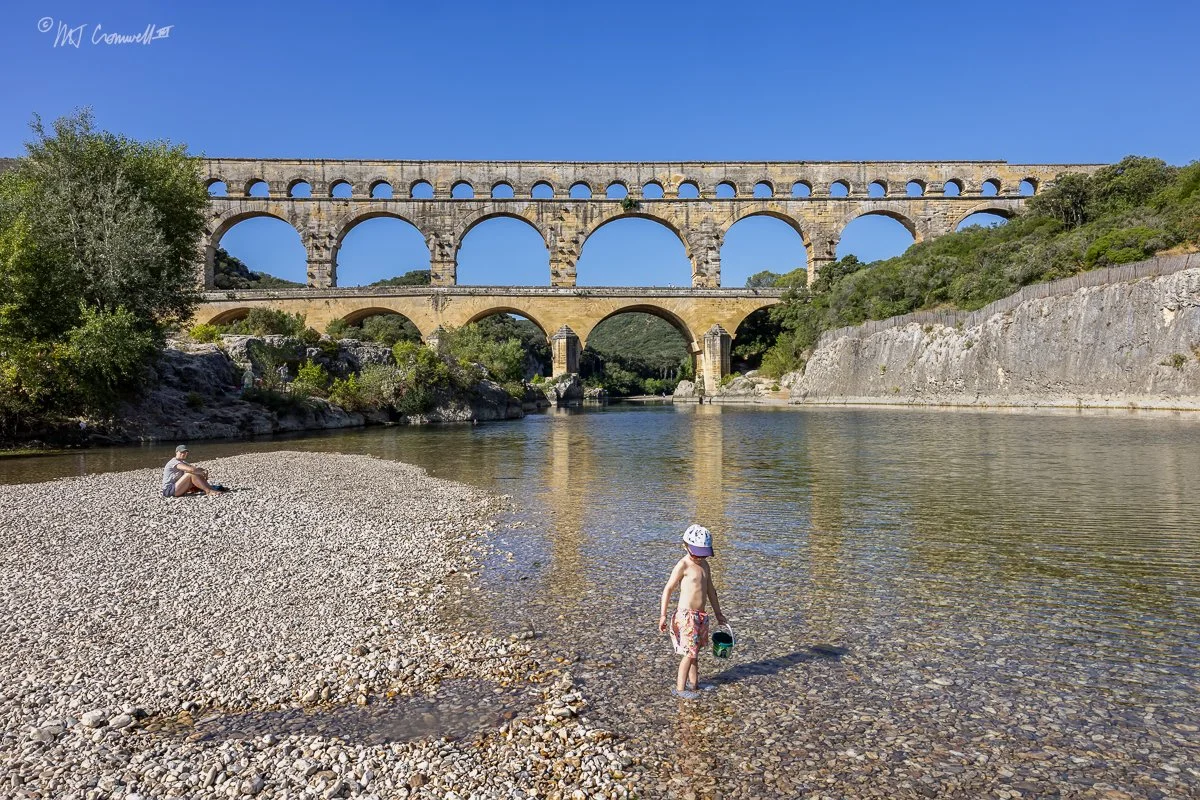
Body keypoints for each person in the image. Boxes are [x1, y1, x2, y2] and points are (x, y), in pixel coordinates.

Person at [658, 524, 727, 699]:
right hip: (686, 616)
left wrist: (718, 613)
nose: (698, 557)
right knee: (689, 654)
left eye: (703, 554)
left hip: (701, 617)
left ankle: (694, 685)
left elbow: (711, 591)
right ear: (685, 546)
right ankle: (680, 690)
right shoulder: (684, 565)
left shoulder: (705, 566)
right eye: (695, 553)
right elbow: (668, 589)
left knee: (695, 654)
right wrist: (663, 615)